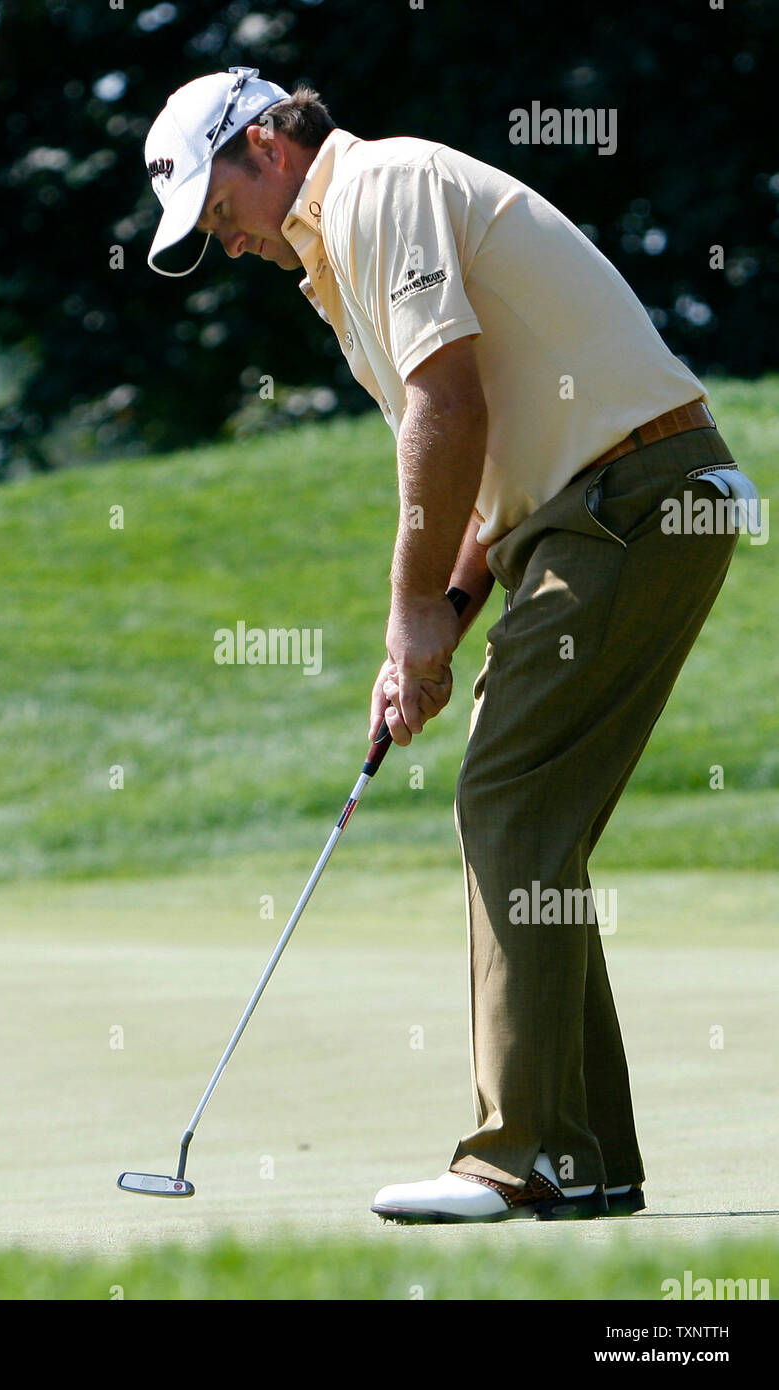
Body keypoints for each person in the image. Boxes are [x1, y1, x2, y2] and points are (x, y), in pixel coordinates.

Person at [143, 67, 755, 1223]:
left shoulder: (383, 184)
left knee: (510, 799)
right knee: (530, 815)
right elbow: (480, 471)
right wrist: (432, 629)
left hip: (633, 495)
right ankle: (587, 1159)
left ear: (266, 147)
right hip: (590, 511)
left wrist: (409, 606)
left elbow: (448, 403)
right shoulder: (341, 256)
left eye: (221, 216)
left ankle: (519, 1157)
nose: (227, 247)